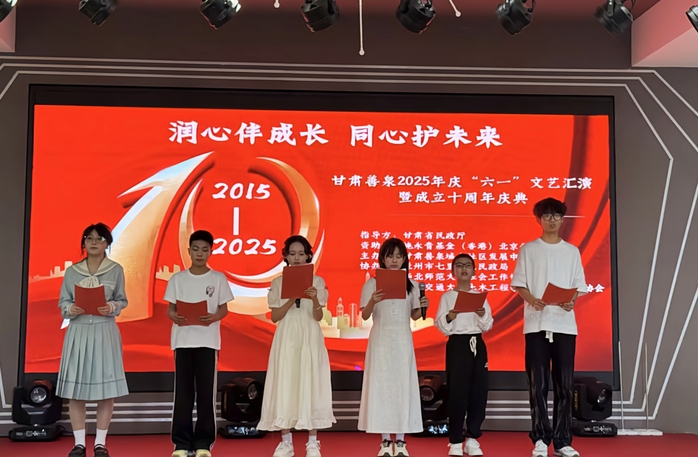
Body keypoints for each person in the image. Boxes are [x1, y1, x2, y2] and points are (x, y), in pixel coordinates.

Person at [511, 198, 588, 457]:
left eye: (556, 215)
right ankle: (541, 439)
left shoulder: (572, 251)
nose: (552, 219)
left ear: (563, 219)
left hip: (564, 325)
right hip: (536, 324)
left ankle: (563, 440)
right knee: (539, 384)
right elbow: (519, 283)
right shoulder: (528, 249)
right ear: (538, 219)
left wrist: (571, 300)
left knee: (564, 386)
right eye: (547, 215)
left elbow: (578, 285)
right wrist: (532, 299)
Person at [258, 235, 336, 457]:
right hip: (287, 336)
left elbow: (318, 316)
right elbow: (276, 316)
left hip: (309, 335)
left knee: (311, 383)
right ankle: (286, 443)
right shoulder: (278, 283)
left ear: (308, 256)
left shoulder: (317, 282)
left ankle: (312, 442)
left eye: (301, 254)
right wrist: (292, 297)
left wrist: (314, 298)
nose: (297, 258)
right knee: (286, 383)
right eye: (292, 254)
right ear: (286, 256)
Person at [58, 223, 129, 457]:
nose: (94, 242)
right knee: (75, 391)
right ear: (84, 243)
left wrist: (112, 306)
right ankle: (79, 444)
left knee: (105, 391)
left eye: (99, 238)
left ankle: (100, 443)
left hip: (104, 331)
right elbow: (63, 302)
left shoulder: (115, 270)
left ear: (107, 243)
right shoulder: (72, 271)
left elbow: (122, 300)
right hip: (78, 332)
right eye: (89, 238)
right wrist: (70, 308)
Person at [165, 230, 234, 457]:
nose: (200, 254)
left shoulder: (218, 278)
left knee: (206, 394)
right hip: (183, 341)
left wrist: (213, 317)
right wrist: (174, 316)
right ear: (189, 251)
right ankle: (181, 444)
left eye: (205, 250)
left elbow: (223, 308)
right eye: (196, 249)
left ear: (211, 252)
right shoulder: (178, 279)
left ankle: (204, 443)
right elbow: (171, 309)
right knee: (183, 394)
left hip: (207, 341)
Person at [358, 238, 427, 457]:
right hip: (381, 340)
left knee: (402, 386)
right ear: (383, 259)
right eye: (390, 256)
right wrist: (373, 300)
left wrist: (422, 306)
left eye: (399, 256)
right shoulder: (372, 283)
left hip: (402, 340)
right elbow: (365, 315)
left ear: (405, 258)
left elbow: (414, 315)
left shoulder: (411, 284)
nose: (395, 260)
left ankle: (402, 441)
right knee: (382, 387)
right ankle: (386, 440)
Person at [435, 254, 493, 457]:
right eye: (459, 266)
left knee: (478, 392)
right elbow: (441, 325)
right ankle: (455, 441)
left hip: (477, 343)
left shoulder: (479, 296)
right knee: (457, 393)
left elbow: (488, 325)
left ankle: (473, 438)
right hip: (458, 344)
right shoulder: (447, 297)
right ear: (453, 271)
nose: (464, 269)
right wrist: (450, 316)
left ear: (474, 271)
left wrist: (481, 314)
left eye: (468, 265)